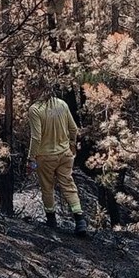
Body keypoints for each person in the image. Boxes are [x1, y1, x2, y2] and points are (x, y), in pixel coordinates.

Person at [26, 76, 88, 235]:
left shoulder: (35, 109)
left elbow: (36, 137)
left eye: (31, 89)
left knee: (47, 188)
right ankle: (80, 220)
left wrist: (31, 158)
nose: (29, 92)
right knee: (69, 186)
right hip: (65, 154)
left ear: (37, 89)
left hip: (45, 157)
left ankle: (51, 220)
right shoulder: (62, 104)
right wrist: (72, 146)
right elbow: (73, 129)